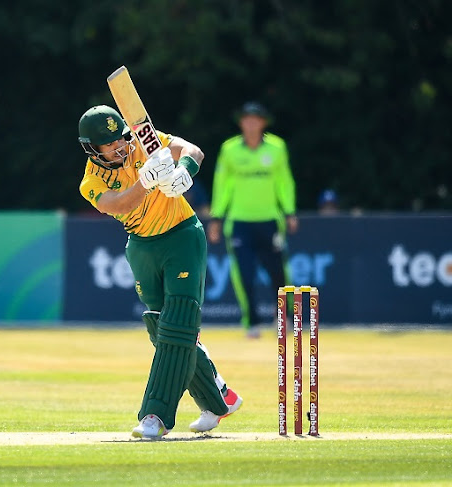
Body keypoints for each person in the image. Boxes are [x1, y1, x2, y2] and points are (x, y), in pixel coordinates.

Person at [76, 105, 242, 439]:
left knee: (179, 322)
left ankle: (156, 415)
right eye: (109, 144)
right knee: (159, 327)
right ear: (93, 149)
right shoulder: (90, 180)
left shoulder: (143, 140)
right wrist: (146, 183)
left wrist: (185, 171)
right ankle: (219, 398)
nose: (120, 147)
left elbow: (193, 150)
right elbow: (118, 204)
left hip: (182, 234)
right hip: (141, 245)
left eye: (120, 139)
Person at [207, 101, 298, 339]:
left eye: (255, 119)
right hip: (239, 222)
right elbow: (222, 185)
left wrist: (289, 212)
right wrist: (217, 217)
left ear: (263, 123)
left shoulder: (277, 148)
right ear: (241, 123)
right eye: (246, 119)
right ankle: (252, 321)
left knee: (278, 272)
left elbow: (284, 182)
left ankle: (284, 316)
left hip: (269, 220)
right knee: (244, 274)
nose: (250, 123)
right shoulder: (230, 150)